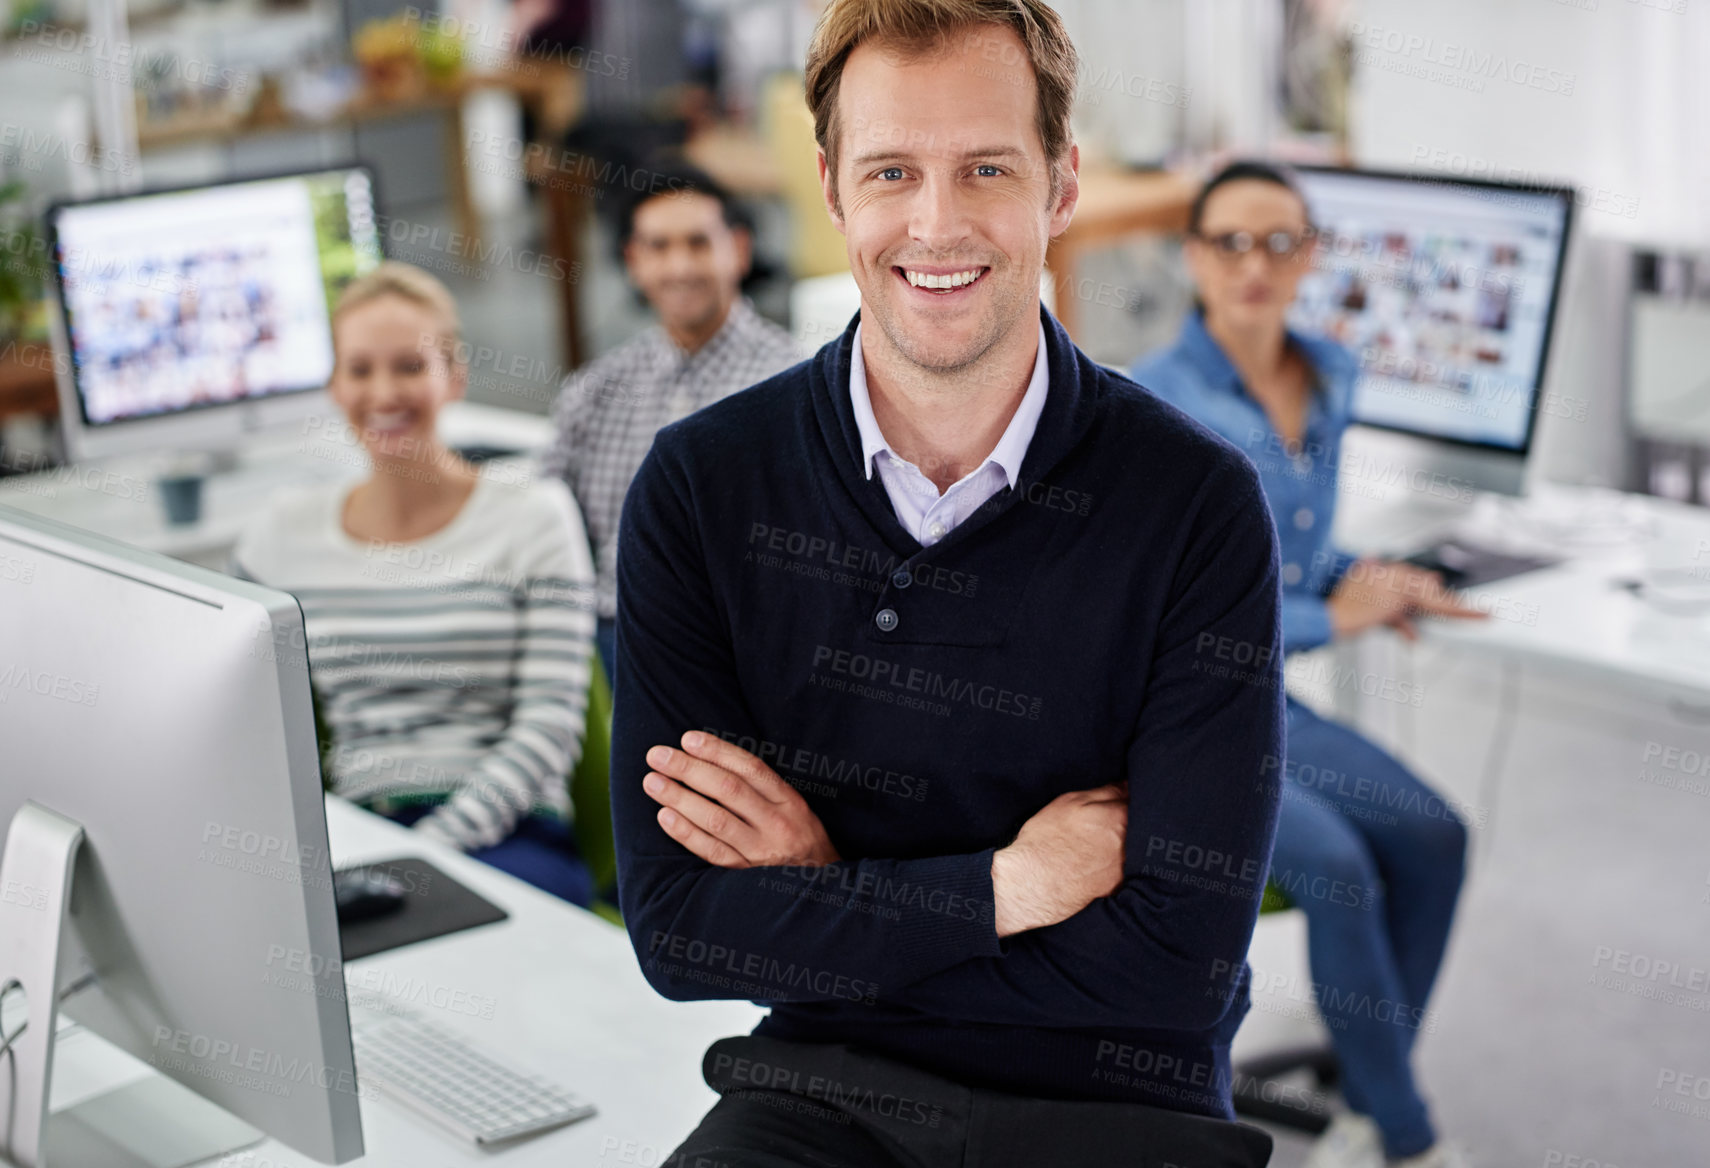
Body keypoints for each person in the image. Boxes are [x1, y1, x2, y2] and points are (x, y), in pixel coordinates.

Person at [610, 3, 1286, 1165]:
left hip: (1119, 1097)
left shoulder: (1195, 504)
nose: (936, 223)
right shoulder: (699, 488)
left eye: (986, 167)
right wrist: (1004, 887)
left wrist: (831, 896)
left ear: (1060, 185)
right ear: (830, 189)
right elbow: (680, 931)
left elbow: (1180, 966)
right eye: (890, 171)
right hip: (819, 1090)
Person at [1131, 161, 1482, 1168]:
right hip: (1175, 715)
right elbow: (1174, 612)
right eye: (1229, 242)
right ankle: (1407, 1138)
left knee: (1434, 835)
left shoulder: (1329, 371)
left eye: (1280, 241)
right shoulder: (1156, 401)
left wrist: (1371, 578)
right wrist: (1336, 619)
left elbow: (1286, 548)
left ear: (1312, 257)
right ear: (1194, 258)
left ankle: (1374, 1093)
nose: (1255, 264)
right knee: (1335, 868)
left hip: (1267, 697)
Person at [234, 262, 599, 905]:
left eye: (409, 366)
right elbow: (242, 722)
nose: (384, 392)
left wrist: (427, 855)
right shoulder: (280, 536)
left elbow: (549, 725)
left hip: (508, 835)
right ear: (333, 384)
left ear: (453, 376)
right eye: (360, 368)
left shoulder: (536, 515)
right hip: (353, 832)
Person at [539, 163, 799, 674]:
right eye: (658, 247)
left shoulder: (792, 384)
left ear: (739, 250)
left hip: (735, 646)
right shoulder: (595, 390)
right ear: (633, 261)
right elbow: (546, 523)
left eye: (699, 243)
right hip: (607, 639)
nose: (679, 266)